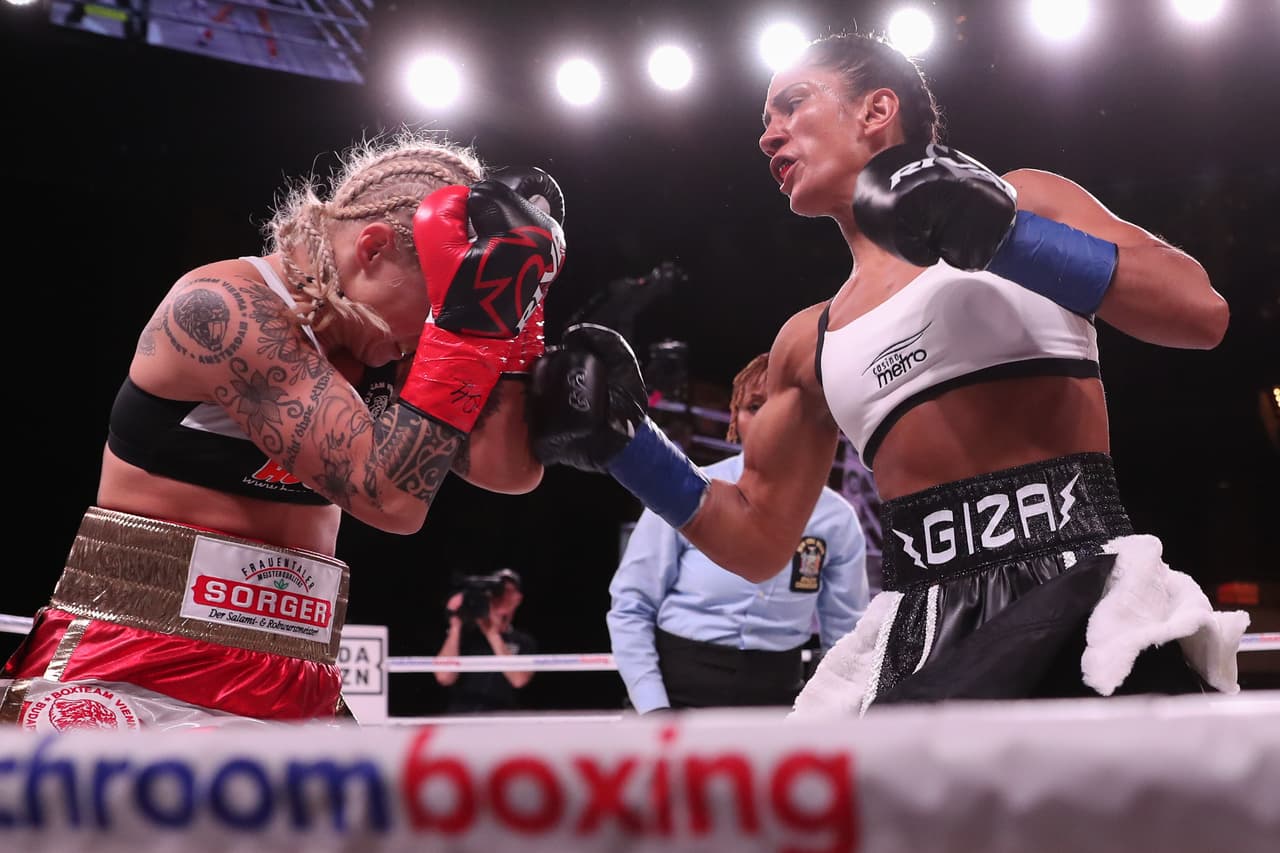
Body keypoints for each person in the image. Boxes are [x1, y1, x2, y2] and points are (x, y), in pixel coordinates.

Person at [528, 31, 1249, 715]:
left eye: (793, 104)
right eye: (763, 118)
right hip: (923, 626)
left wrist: (1003, 235)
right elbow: (758, 540)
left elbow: (1200, 311)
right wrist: (631, 447)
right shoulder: (807, 342)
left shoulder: (1025, 201)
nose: (768, 133)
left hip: (1084, 593)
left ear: (877, 109)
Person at [0, 128, 566, 730]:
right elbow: (392, 500)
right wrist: (466, 327)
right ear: (372, 249)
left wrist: (515, 331)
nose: (435, 328)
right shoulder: (223, 310)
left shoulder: (391, 341)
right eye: (436, 303)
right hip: (140, 663)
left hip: (299, 676)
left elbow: (510, 473)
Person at [607, 352, 869, 713]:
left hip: (780, 697)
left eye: (777, 406)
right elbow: (631, 606)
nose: (764, 421)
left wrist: (828, 713)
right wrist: (653, 707)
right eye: (753, 406)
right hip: (678, 690)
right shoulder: (687, 491)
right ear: (735, 419)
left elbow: (846, 635)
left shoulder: (835, 518)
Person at [434, 569, 537, 714]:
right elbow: (443, 677)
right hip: (460, 720)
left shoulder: (524, 641)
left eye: (507, 590)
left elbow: (519, 680)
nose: (501, 596)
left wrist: (491, 633)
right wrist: (455, 625)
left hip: (500, 723)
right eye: (497, 590)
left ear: (518, 599)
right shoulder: (465, 637)